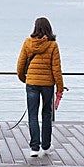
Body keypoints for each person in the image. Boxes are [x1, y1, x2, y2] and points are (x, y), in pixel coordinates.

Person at [16, 17, 64, 157]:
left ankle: (34, 148)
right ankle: (46, 146)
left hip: (31, 83)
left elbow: (20, 65)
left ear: (35, 28)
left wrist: (24, 79)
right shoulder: (53, 45)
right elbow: (56, 69)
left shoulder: (27, 43)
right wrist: (60, 87)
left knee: (32, 114)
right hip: (47, 85)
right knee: (46, 114)